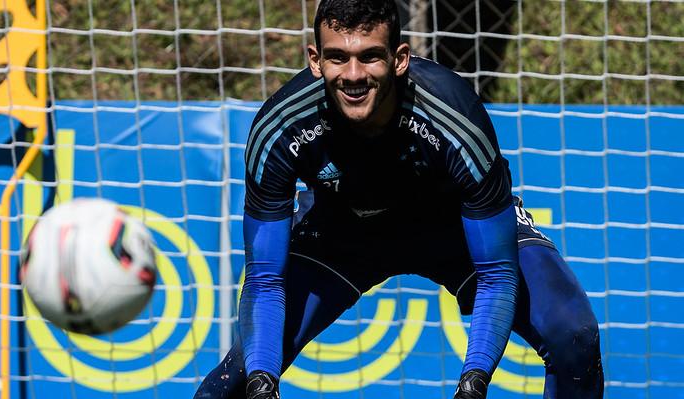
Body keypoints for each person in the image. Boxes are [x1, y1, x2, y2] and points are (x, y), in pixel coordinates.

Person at [194, 1, 604, 398]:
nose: (353, 75)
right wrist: (262, 385)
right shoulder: (281, 126)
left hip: (453, 228)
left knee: (574, 335)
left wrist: (472, 384)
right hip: (342, 231)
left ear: (400, 58)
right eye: (338, 58)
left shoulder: (455, 115)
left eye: (371, 57)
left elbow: (497, 274)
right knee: (237, 380)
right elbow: (265, 280)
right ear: (315, 61)